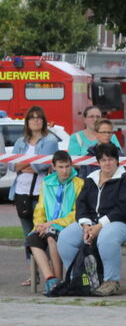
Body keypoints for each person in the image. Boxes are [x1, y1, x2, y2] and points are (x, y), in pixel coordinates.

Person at [56, 142, 126, 296]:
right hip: (92, 224)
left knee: (107, 236)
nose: (107, 163)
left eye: (110, 159)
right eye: (103, 160)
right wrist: (86, 225)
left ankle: (111, 281)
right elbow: (81, 204)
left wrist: (100, 225)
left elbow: (124, 208)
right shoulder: (91, 179)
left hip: (122, 225)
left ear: (117, 160)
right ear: (98, 162)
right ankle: (78, 278)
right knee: (65, 238)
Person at [9, 106, 60, 282]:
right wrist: (26, 164)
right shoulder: (20, 141)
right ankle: (33, 273)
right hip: (20, 192)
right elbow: (11, 165)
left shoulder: (50, 140)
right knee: (27, 236)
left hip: (41, 193)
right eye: (32, 117)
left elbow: (41, 166)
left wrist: (22, 164)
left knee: (42, 233)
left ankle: (49, 271)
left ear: (44, 121)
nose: (35, 120)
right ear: (27, 121)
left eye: (39, 117)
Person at [26, 150, 84, 295]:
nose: (65, 171)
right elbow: (40, 208)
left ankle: (58, 281)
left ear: (72, 166)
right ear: (53, 167)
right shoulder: (46, 183)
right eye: (61, 167)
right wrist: (39, 225)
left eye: (67, 166)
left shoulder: (79, 183)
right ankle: (50, 278)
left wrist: (52, 223)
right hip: (46, 226)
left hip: (65, 226)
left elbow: (77, 212)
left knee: (51, 237)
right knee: (32, 239)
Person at [68, 106, 121, 177]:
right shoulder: (76, 137)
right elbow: (73, 161)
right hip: (85, 177)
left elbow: (119, 157)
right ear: (85, 119)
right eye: (91, 116)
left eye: (98, 116)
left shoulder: (112, 136)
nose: (95, 119)